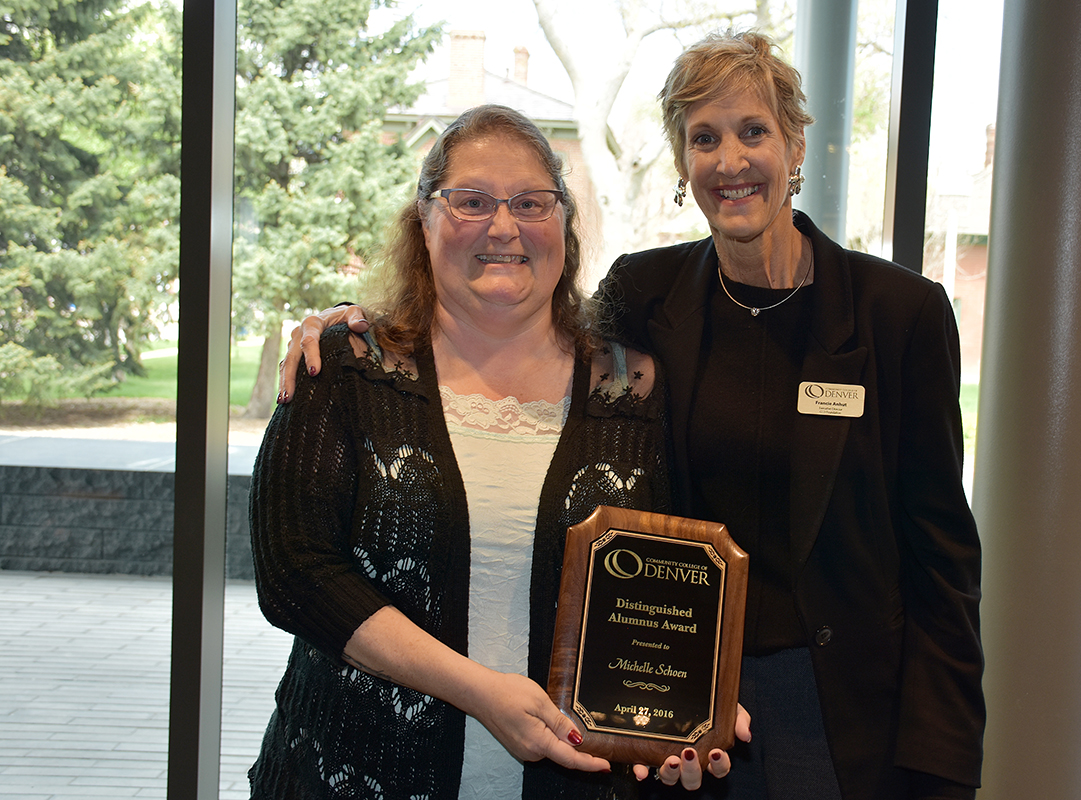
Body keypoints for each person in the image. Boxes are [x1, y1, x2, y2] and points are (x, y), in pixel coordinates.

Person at [280, 31, 985, 800]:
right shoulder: (644, 296)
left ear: (795, 144)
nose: (730, 160)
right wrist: (355, 324)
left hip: (837, 707)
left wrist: (943, 758)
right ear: (683, 163)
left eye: (753, 131)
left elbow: (942, 556)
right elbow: (524, 327)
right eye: (703, 138)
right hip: (667, 691)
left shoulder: (897, 315)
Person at [251, 103, 745, 800]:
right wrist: (480, 692)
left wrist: (682, 714)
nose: (504, 227)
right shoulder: (344, 367)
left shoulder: (631, 388)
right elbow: (294, 574)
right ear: (422, 220)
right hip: (351, 776)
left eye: (531, 203)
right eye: (471, 202)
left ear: (566, 227)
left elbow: (661, 590)